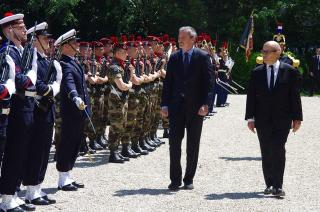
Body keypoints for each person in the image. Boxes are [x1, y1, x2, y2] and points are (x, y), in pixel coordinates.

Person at [245, 41, 303, 197]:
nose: (262, 54)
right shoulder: (256, 72)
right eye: (262, 51)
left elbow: (295, 96)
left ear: (277, 52)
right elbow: (251, 97)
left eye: (266, 51)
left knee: (278, 148)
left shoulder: (290, 71)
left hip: (282, 119)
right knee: (266, 150)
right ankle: (269, 183)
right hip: (262, 119)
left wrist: (297, 118)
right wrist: (250, 118)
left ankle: (278, 185)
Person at [161, 26, 213, 191]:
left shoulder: (203, 57)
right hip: (176, 108)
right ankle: (175, 179)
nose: (179, 39)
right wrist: (165, 104)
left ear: (192, 39)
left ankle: (188, 179)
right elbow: (168, 83)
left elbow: (209, 84)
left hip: (196, 108)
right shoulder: (175, 57)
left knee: (193, 144)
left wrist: (206, 104)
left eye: (183, 37)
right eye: (179, 36)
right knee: (174, 144)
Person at [0, 12, 38, 212]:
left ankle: (12, 194)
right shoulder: (8, 51)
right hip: (15, 109)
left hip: (24, 107)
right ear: (9, 30)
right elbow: (20, 81)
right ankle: (6, 199)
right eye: (21, 27)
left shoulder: (20, 50)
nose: (25, 30)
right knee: (13, 155)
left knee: (19, 154)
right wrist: (32, 74)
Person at [23, 22, 59, 205]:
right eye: (45, 38)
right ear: (35, 40)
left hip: (47, 111)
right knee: (36, 150)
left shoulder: (46, 59)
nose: (48, 41)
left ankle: (38, 185)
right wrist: (50, 90)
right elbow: (36, 83)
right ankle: (30, 189)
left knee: (44, 151)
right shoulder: (31, 58)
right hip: (37, 110)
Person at [54, 29, 90, 191]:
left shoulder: (73, 61)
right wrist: (75, 96)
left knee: (75, 143)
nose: (77, 45)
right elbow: (68, 83)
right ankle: (62, 178)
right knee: (68, 143)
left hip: (79, 111)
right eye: (74, 42)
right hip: (71, 110)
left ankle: (68, 175)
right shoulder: (64, 63)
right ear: (66, 46)